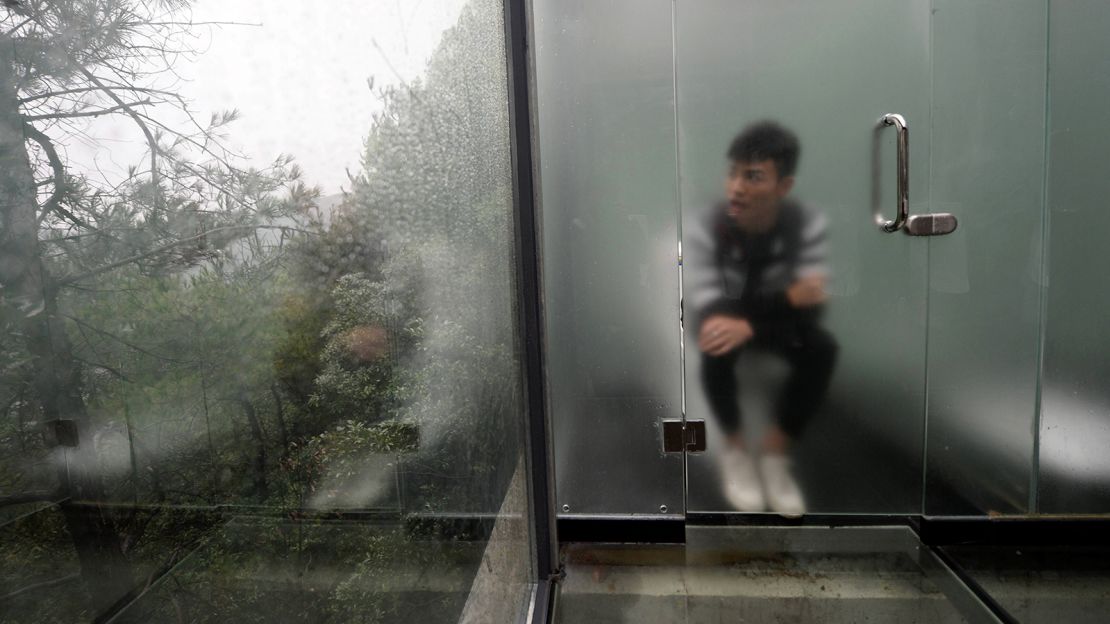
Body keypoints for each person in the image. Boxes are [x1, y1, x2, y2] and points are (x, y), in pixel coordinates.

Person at [685, 120, 838, 516]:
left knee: (822, 348)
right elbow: (709, 308)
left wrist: (753, 322)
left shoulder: (807, 223)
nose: (736, 187)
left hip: (763, 322)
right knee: (715, 338)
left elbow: (814, 305)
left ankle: (774, 455)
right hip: (728, 318)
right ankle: (735, 451)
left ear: (783, 186)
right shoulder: (706, 226)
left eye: (753, 176)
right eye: (733, 173)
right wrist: (787, 298)